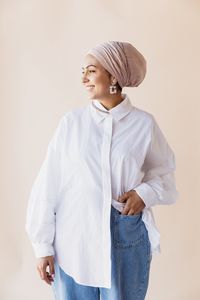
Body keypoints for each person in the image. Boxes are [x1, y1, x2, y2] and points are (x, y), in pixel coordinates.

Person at [25, 41, 179, 300]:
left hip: (125, 242)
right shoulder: (72, 124)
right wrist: (42, 246)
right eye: (82, 70)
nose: (83, 78)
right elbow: (47, 185)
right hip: (73, 243)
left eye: (91, 70)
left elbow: (165, 175)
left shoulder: (144, 124)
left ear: (114, 75)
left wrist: (144, 193)